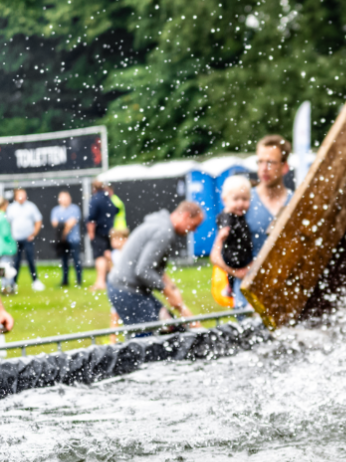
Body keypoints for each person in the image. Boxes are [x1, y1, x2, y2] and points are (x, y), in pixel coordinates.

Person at [107, 201, 203, 326]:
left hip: (128, 287)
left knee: (170, 327)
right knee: (148, 340)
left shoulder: (162, 225)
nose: (194, 230)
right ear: (185, 216)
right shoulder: (164, 232)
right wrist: (168, 293)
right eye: (194, 225)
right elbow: (143, 270)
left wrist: (172, 288)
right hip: (126, 290)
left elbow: (154, 267)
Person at [210, 176, 253, 308]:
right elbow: (224, 221)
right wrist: (223, 233)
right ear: (225, 200)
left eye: (244, 199)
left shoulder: (242, 215)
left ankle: (231, 288)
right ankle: (230, 288)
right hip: (232, 255)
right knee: (233, 266)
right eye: (236, 199)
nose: (240, 203)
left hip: (243, 253)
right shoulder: (227, 215)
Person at [248, 135, 294, 256]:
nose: (264, 168)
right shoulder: (242, 202)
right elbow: (216, 254)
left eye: (270, 162)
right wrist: (240, 272)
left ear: (284, 167)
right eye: (260, 162)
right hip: (250, 275)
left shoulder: (295, 203)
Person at [6, 188, 45, 291]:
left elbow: (38, 220)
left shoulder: (31, 206)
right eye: (20, 195)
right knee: (16, 261)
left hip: (28, 238)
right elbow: (8, 222)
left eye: (24, 194)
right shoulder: (11, 208)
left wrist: (33, 234)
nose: (23, 197)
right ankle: (13, 283)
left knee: (31, 260)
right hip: (15, 239)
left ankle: (35, 281)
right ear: (15, 196)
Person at [87, 180, 118, 291]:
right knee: (108, 255)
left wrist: (91, 234)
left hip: (99, 232)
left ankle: (100, 282)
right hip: (109, 232)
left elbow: (91, 219)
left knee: (100, 257)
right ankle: (113, 279)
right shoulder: (108, 198)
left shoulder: (95, 199)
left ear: (93, 188)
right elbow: (116, 210)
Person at [51, 191, 83, 287]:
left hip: (73, 239)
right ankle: (65, 281)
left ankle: (79, 280)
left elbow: (71, 223)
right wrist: (65, 226)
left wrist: (63, 232)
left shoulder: (75, 209)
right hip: (62, 241)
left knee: (76, 260)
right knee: (64, 261)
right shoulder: (55, 210)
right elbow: (55, 223)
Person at [0, 197, 17, 294]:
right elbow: (6, 234)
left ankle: (3, 287)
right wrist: (13, 242)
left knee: (1, 268)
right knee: (7, 268)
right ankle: (8, 287)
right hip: (6, 247)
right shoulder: (4, 217)